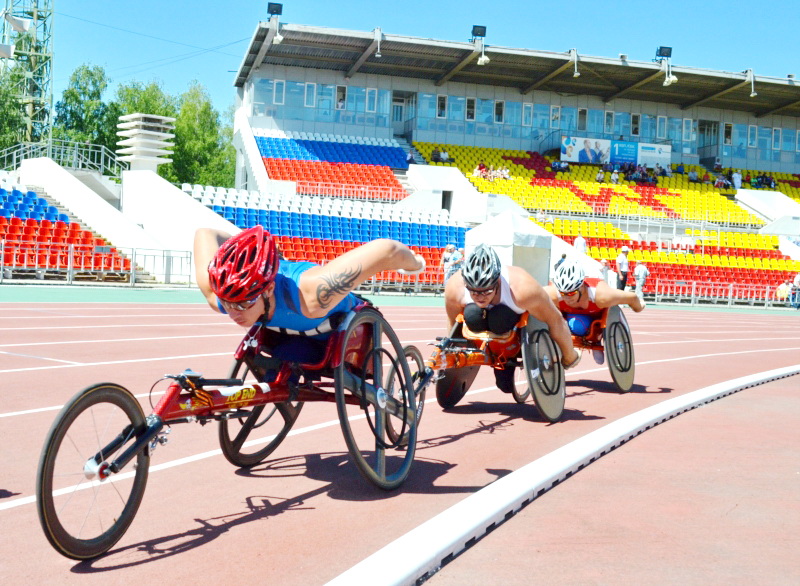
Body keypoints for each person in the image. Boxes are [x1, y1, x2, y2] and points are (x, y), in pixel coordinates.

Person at [194, 226, 426, 370]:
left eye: (244, 303)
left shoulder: (314, 295)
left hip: (336, 328)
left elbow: (388, 250)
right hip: (290, 338)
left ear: (267, 290)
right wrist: (250, 250)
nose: (234, 312)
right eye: (228, 303)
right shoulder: (219, 295)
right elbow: (205, 233)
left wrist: (415, 264)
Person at [443, 244, 582, 394]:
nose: (480, 297)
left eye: (487, 291)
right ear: (465, 284)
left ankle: (508, 362)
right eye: (474, 292)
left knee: (500, 318)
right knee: (471, 315)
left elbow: (555, 320)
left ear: (498, 282)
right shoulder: (454, 287)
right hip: (481, 326)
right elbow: (453, 325)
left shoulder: (523, 288)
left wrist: (570, 356)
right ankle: (495, 355)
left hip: (511, 326)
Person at [544, 259, 645, 365]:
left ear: (581, 287)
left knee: (578, 325)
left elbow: (632, 297)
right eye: (563, 293)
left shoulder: (602, 295)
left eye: (571, 293)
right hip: (570, 318)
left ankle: (596, 339)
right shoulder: (552, 294)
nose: (567, 298)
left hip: (596, 318)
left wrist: (638, 307)